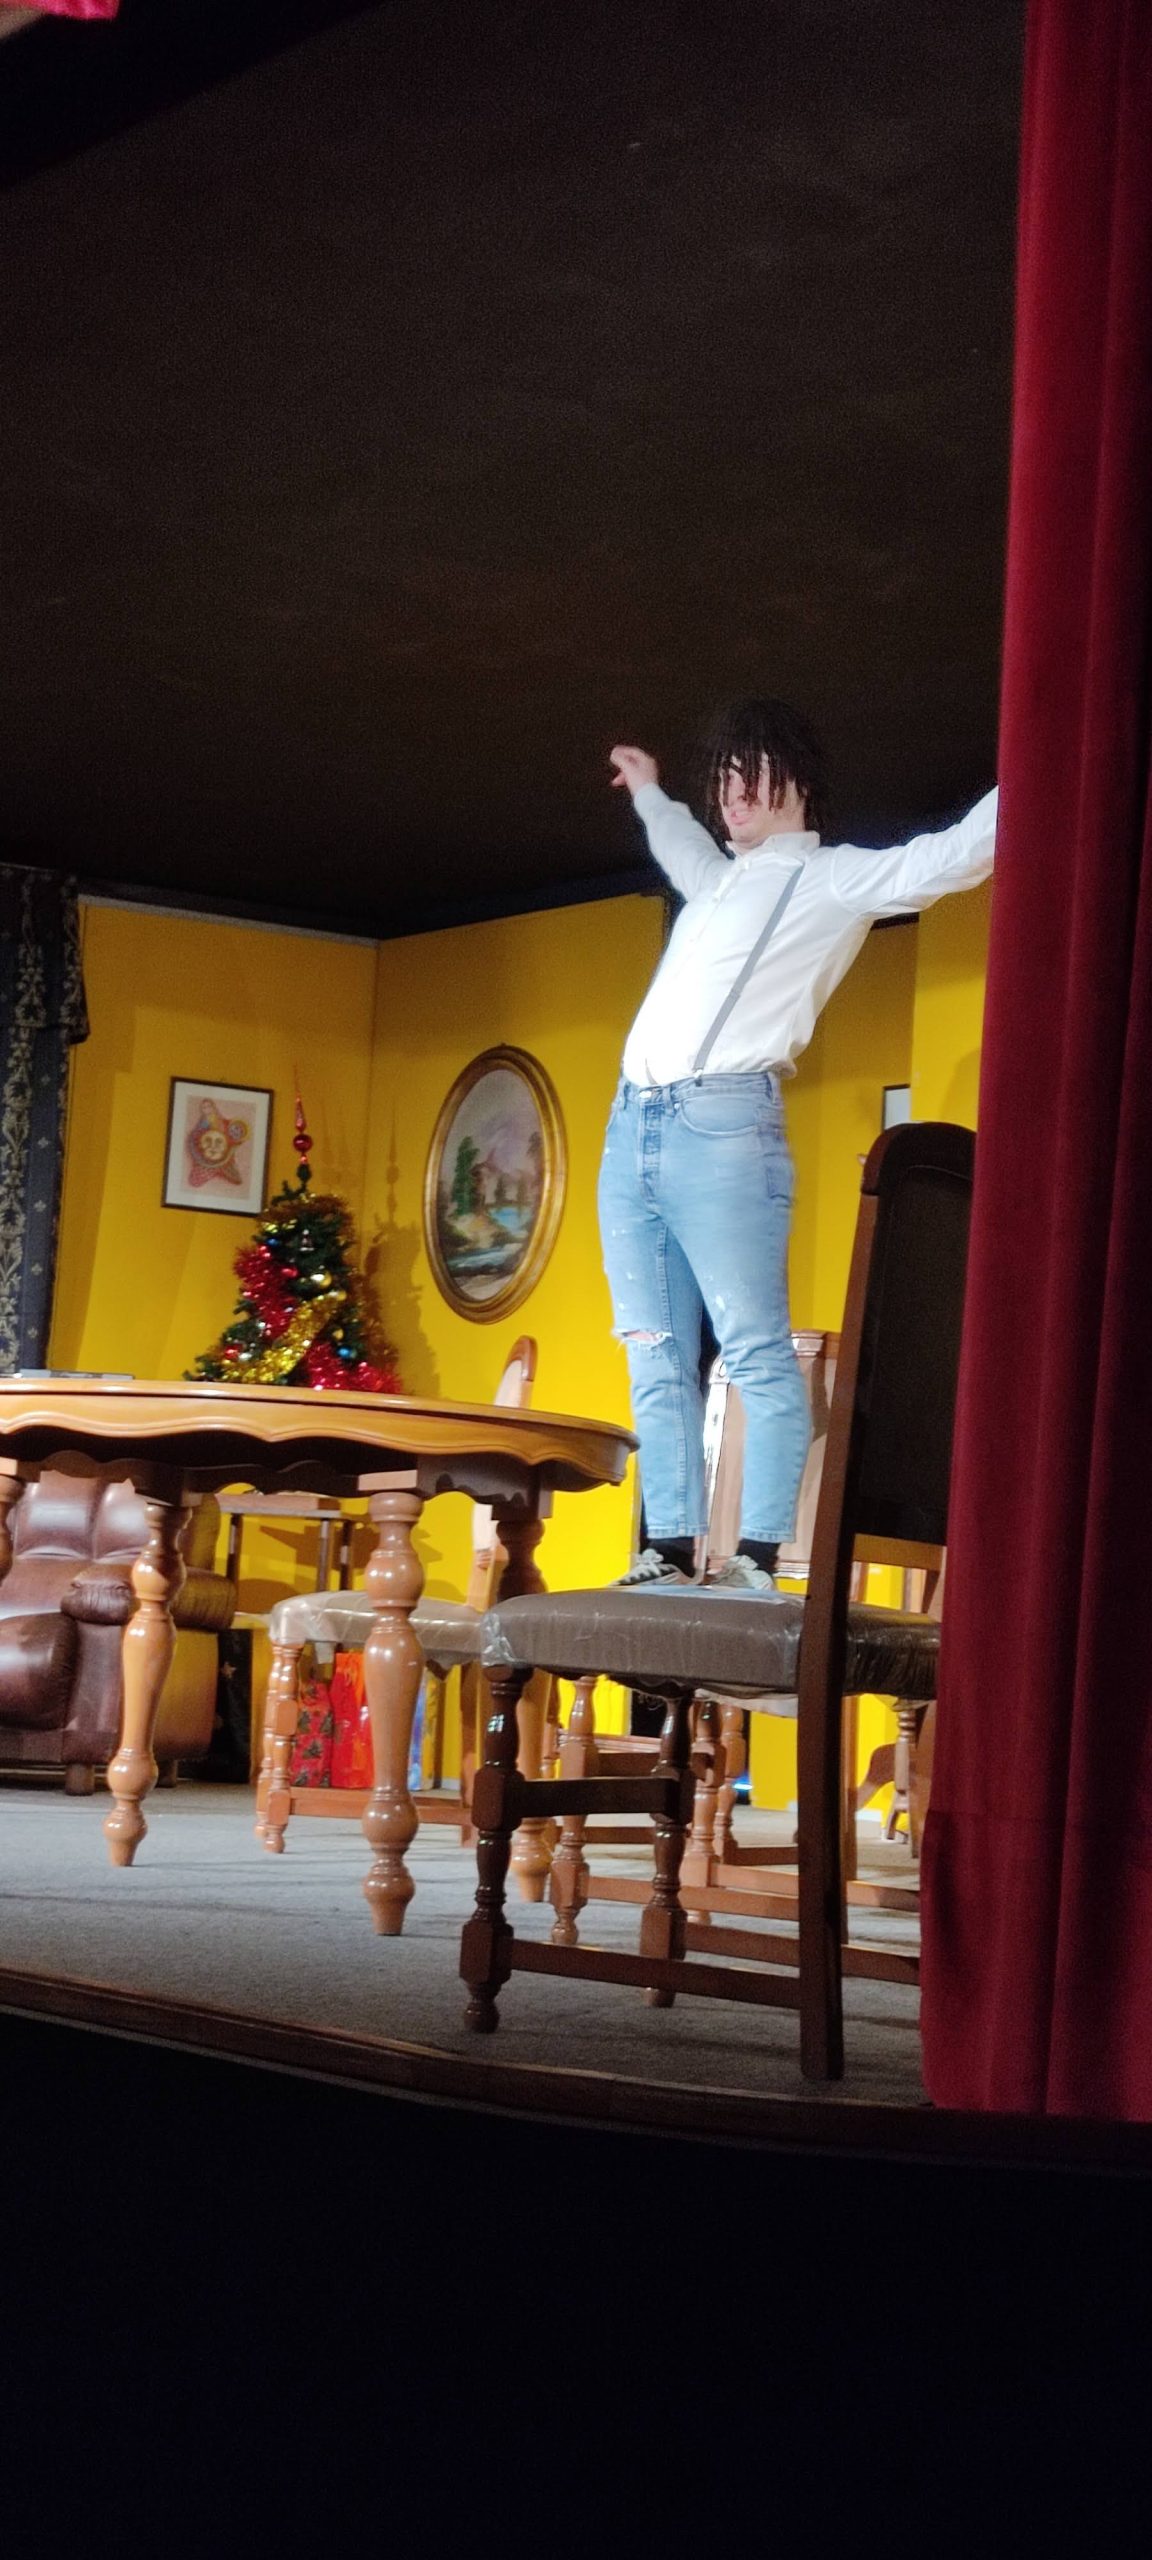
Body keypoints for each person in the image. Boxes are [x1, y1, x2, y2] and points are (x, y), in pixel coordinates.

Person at [601, 696, 997, 1592]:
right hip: (632, 1129)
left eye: (751, 777)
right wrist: (651, 792)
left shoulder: (831, 879)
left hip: (723, 1126)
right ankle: (668, 1550)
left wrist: (1045, 764)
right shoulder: (716, 882)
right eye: (723, 780)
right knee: (653, 1348)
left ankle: (756, 1555)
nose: (732, 796)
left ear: (799, 784)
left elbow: (951, 855)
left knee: (753, 1347)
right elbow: (681, 844)